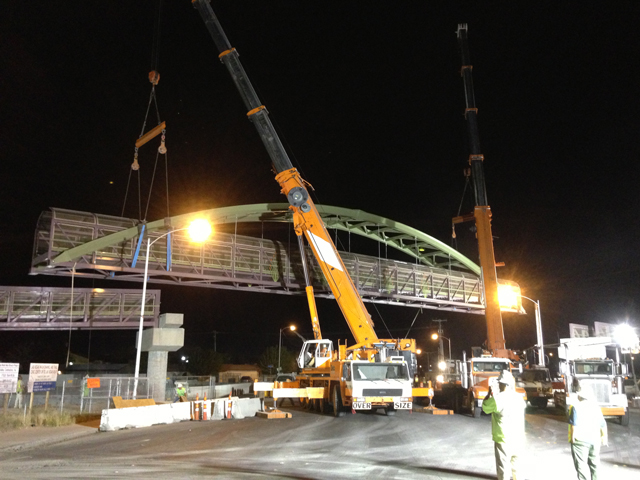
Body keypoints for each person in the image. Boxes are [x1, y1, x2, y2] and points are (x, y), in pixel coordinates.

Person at [482, 370, 526, 480]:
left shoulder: (498, 399)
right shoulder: (519, 398)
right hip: (519, 438)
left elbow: (485, 407)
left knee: (503, 469)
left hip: (503, 439)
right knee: (517, 469)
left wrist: (489, 394)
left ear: (501, 384)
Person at [568, 379, 607, 480]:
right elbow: (602, 424)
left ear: (580, 395)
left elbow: (574, 425)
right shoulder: (596, 407)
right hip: (595, 441)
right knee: (595, 465)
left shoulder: (575, 407)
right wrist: (604, 438)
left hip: (580, 441)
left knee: (581, 466)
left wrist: (572, 439)